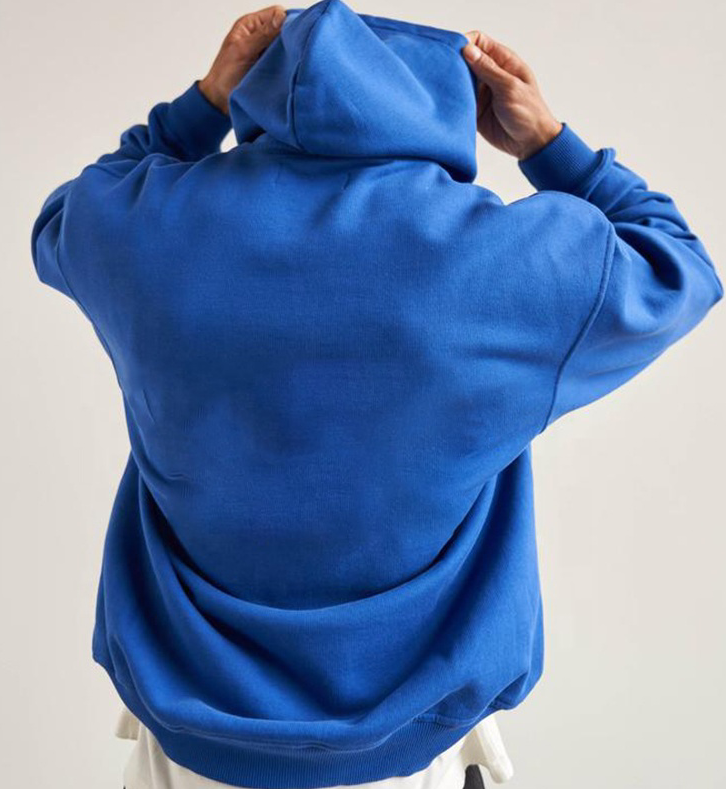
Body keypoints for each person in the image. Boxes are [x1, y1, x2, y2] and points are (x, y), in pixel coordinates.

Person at [30, 2, 723, 789]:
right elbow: (681, 266)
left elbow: (64, 216)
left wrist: (202, 104)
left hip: (186, 743)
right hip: (413, 750)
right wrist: (548, 143)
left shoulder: (151, 229)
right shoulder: (497, 258)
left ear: (263, 85)